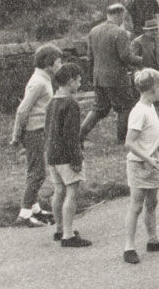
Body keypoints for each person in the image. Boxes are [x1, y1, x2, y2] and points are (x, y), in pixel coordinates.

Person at [123, 68, 159, 264]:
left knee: (152, 203)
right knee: (136, 206)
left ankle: (153, 240)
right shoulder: (139, 112)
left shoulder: (151, 107)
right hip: (140, 165)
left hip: (153, 162)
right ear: (154, 88)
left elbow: (152, 135)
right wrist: (147, 158)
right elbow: (129, 143)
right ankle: (129, 247)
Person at [10, 44, 62, 227]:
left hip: (40, 130)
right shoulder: (39, 82)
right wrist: (16, 136)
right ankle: (24, 215)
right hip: (33, 131)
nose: (60, 65)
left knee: (35, 170)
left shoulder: (44, 78)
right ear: (48, 64)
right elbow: (22, 110)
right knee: (38, 173)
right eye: (58, 62)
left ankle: (35, 209)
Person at [80, 4, 143, 145]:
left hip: (99, 77)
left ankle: (80, 133)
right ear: (119, 15)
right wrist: (142, 60)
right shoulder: (119, 32)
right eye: (123, 16)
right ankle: (122, 139)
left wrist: (92, 77)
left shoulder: (93, 31)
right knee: (125, 107)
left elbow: (90, 57)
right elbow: (125, 57)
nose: (123, 19)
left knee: (99, 108)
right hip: (116, 78)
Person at [44, 63, 92, 247]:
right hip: (66, 156)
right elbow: (72, 135)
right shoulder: (70, 103)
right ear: (71, 81)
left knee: (58, 191)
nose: (80, 84)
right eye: (79, 80)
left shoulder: (52, 101)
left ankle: (59, 228)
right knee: (72, 192)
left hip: (52, 154)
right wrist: (76, 158)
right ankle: (68, 235)